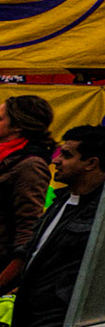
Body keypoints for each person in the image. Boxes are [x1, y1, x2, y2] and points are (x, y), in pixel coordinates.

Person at [0, 126, 105, 327]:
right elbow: (33, 252)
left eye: (67, 154)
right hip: (36, 323)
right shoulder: (64, 199)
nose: (56, 160)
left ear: (91, 163)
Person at [0, 95, 55, 263]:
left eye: (0, 119)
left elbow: (29, 225)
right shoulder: (6, 157)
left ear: (18, 126)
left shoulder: (30, 166)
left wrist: (12, 270)